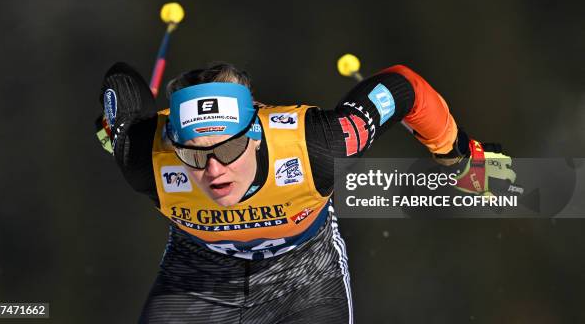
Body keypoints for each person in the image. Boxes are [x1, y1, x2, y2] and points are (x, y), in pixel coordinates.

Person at [98, 61, 517, 323]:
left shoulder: (317, 144)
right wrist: (113, 128)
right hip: (196, 280)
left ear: (256, 133)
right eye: (193, 156)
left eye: (228, 149)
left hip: (305, 279)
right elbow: (120, 83)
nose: (214, 169)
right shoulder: (145, 157)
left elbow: (402, 87)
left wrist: (461, 155)